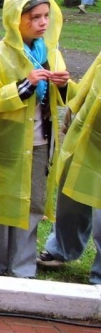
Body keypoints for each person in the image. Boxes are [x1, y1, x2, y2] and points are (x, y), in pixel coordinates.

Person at [0, 0, 73, 278]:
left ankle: (22, 268)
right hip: (6, 144)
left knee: (33, 206)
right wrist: (24, 85)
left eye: (45, 17)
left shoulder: (50, 53)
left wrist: (65, 85)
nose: (42, 23)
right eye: (35, 17)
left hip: (40, 145)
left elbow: (68, 97)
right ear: (16, 19)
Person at [37, 51, 101, 284]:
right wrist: (69, 94)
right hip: (88, 135)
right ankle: (61, 248)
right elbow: (88, 87)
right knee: (70, 195)